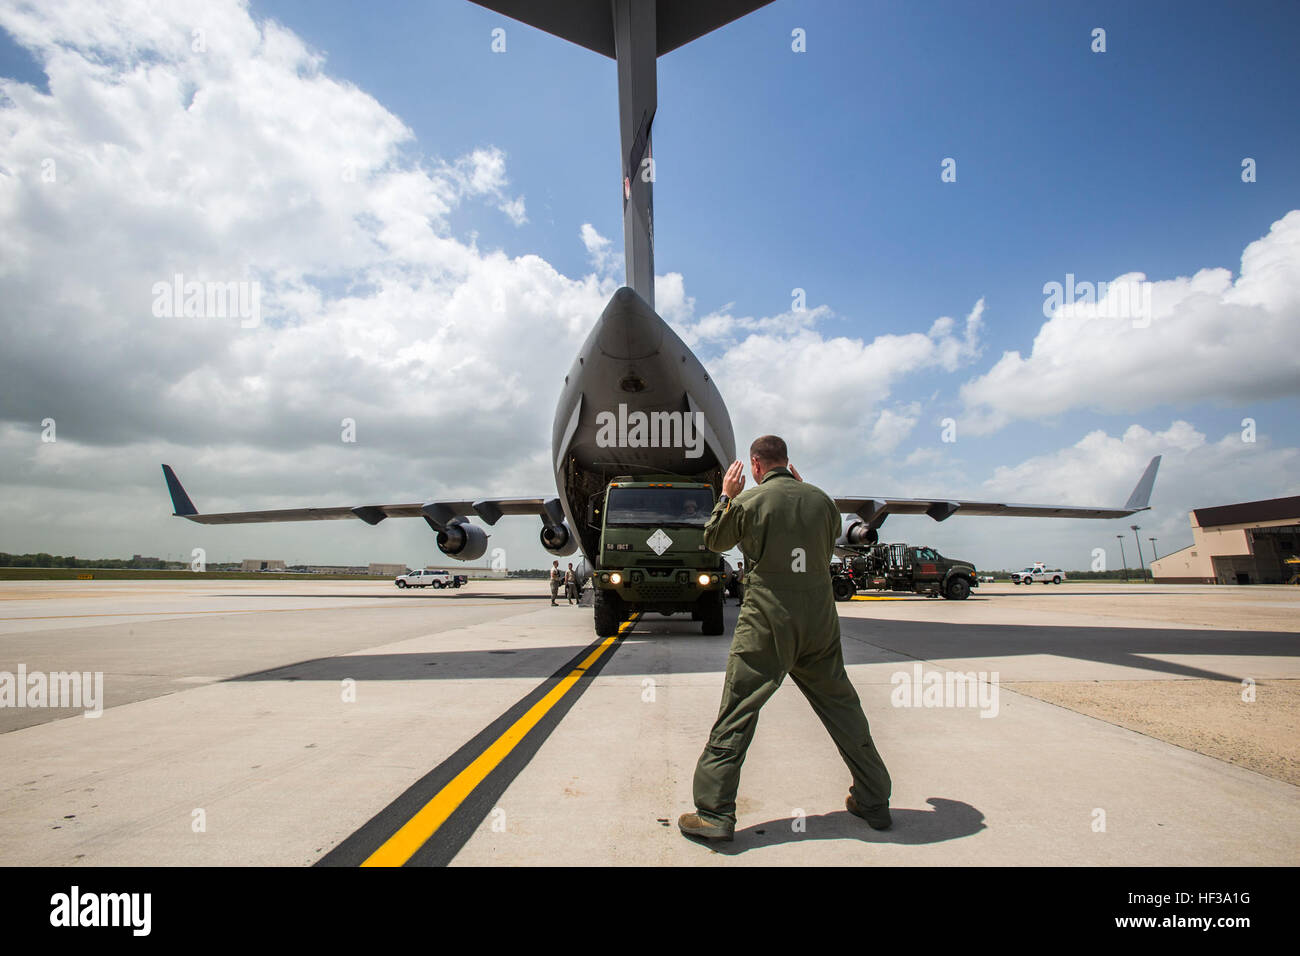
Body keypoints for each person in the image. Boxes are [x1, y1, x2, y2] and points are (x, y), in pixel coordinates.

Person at [678, 435, 893, 842]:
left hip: (769, 619)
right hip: (819, 620)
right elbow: (824, 543)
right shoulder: (823, 501)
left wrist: (726, 496)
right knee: (842, 707)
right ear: (787, 462)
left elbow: (715, 540)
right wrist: (804, 493)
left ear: (756, 465)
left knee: (739, 709)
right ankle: (874, 798)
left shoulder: (749, 501)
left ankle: (714, 813)